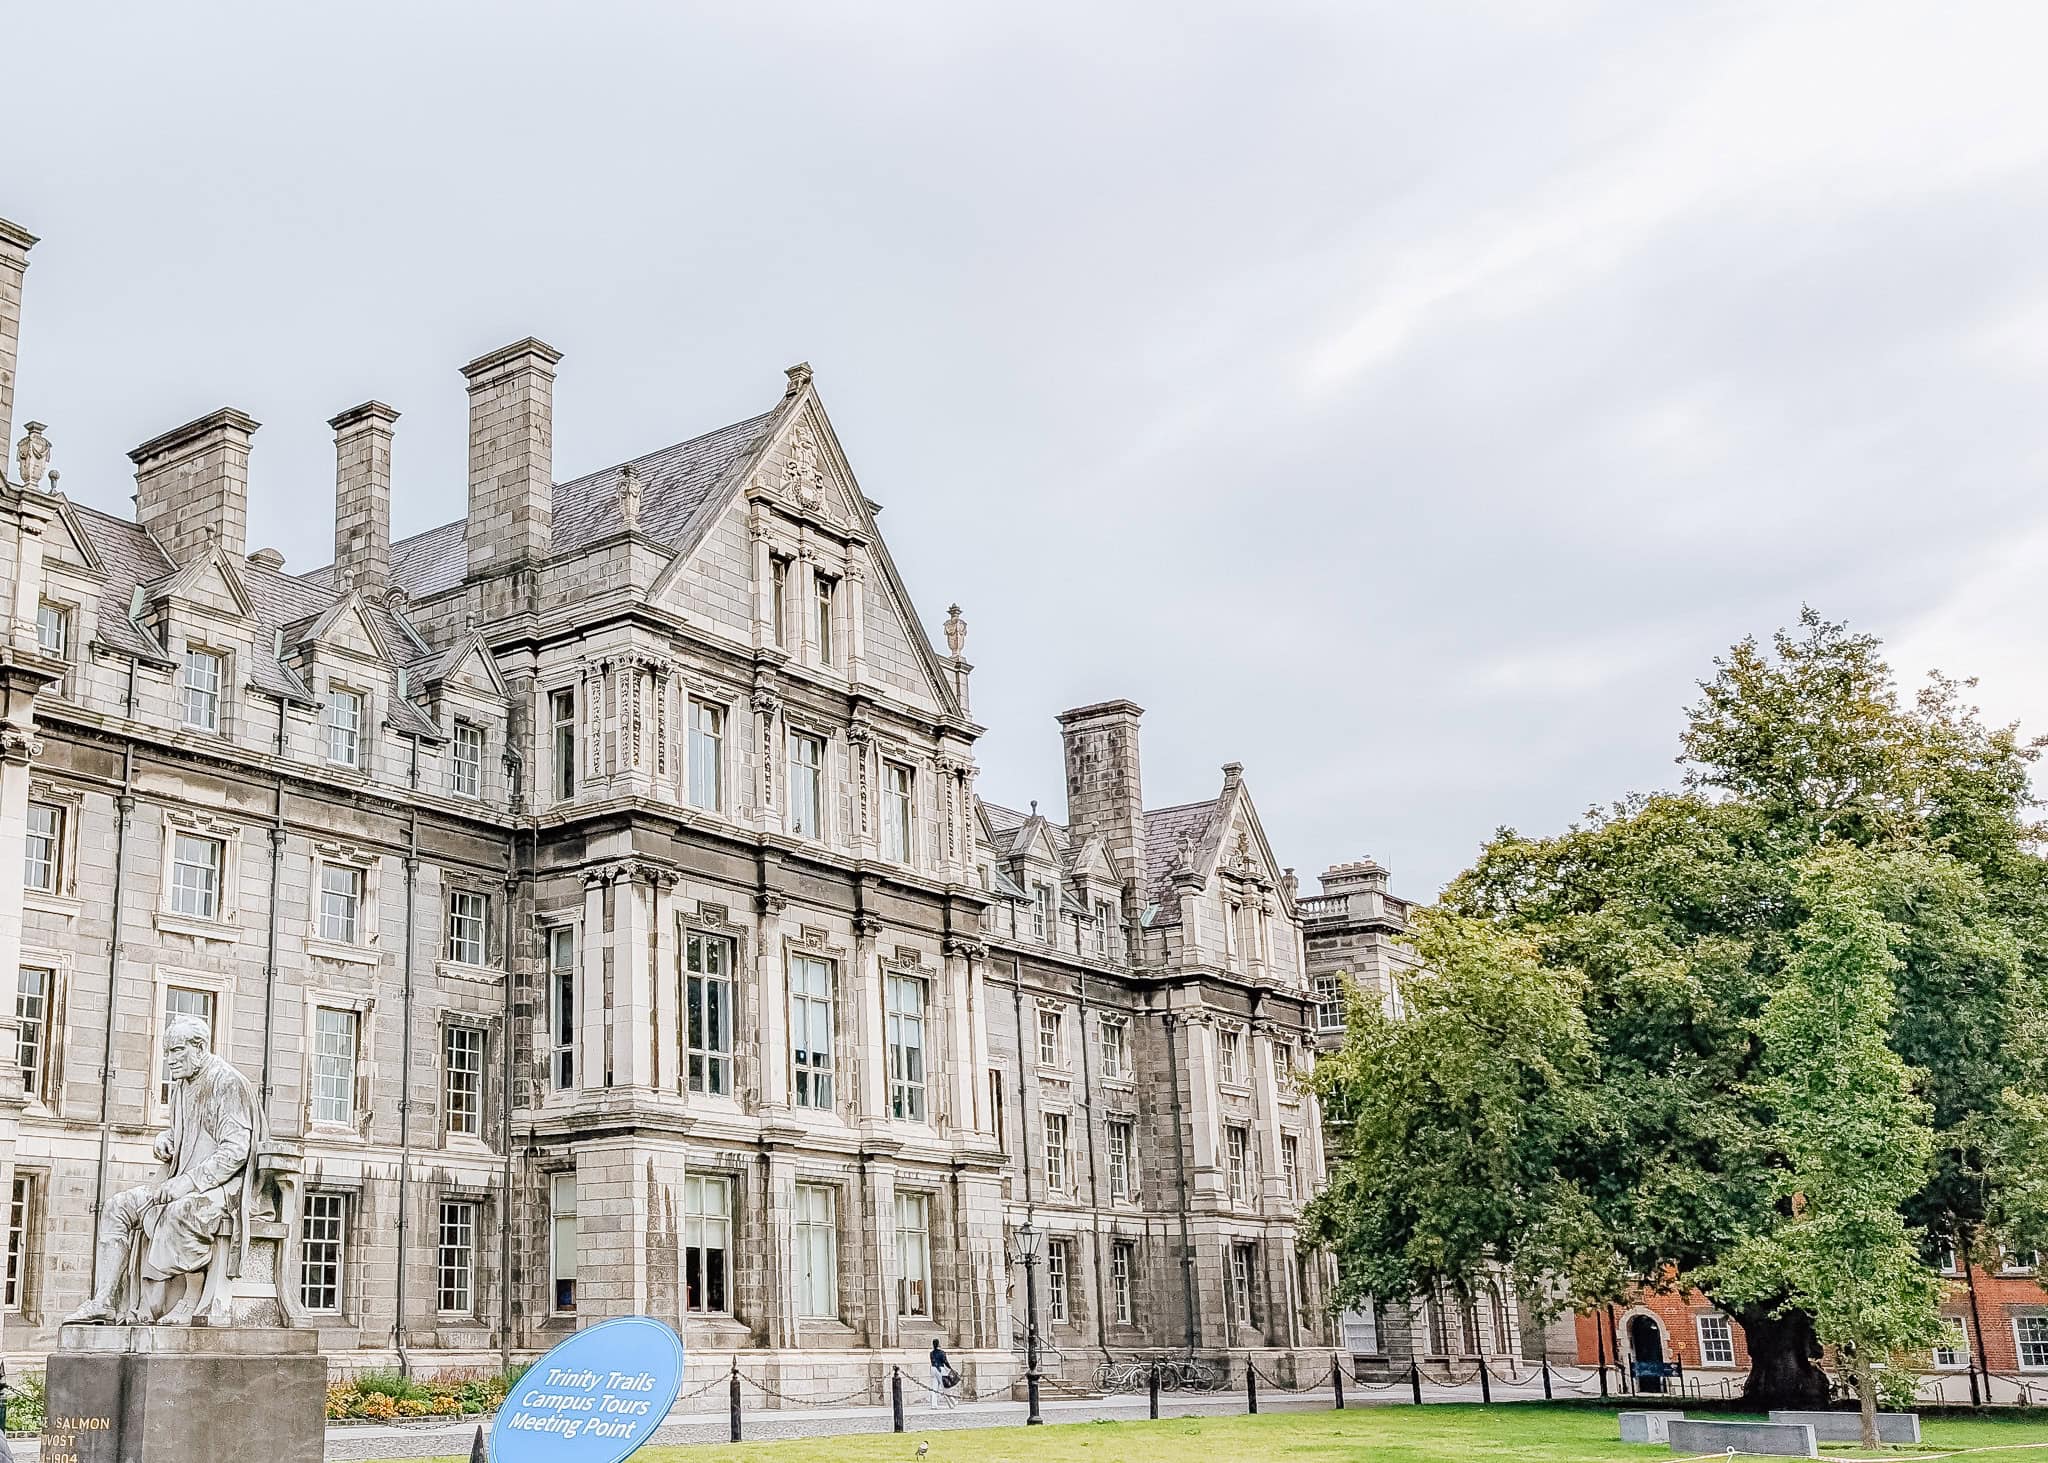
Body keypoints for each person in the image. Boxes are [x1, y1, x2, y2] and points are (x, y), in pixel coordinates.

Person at [65, 1015, 263, 1326]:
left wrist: (187, 1183)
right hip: (179, 1179)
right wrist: (165, 1139)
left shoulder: (227, 1082)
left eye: (177, 1051)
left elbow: (235, 1151)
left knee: (180, 1211)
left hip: (225, 1189)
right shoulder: (181, 1088)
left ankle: (190, 1300)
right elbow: (187, 1133)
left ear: (199, 1047)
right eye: (167, 1051)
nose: (169, 1060)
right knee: (118, 1206)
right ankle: (104, 1299)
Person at [929, 1338, 958, 1409]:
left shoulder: (931, 1353)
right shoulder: (942, 1352)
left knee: (934, 1387)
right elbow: (945, 1362)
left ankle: (934, 1405)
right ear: (938, 1344)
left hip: (933, 1369)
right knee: (945, 1387)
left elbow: (933, 1361)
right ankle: (952, 1403)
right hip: (940, 1369)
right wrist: (950, 1368)